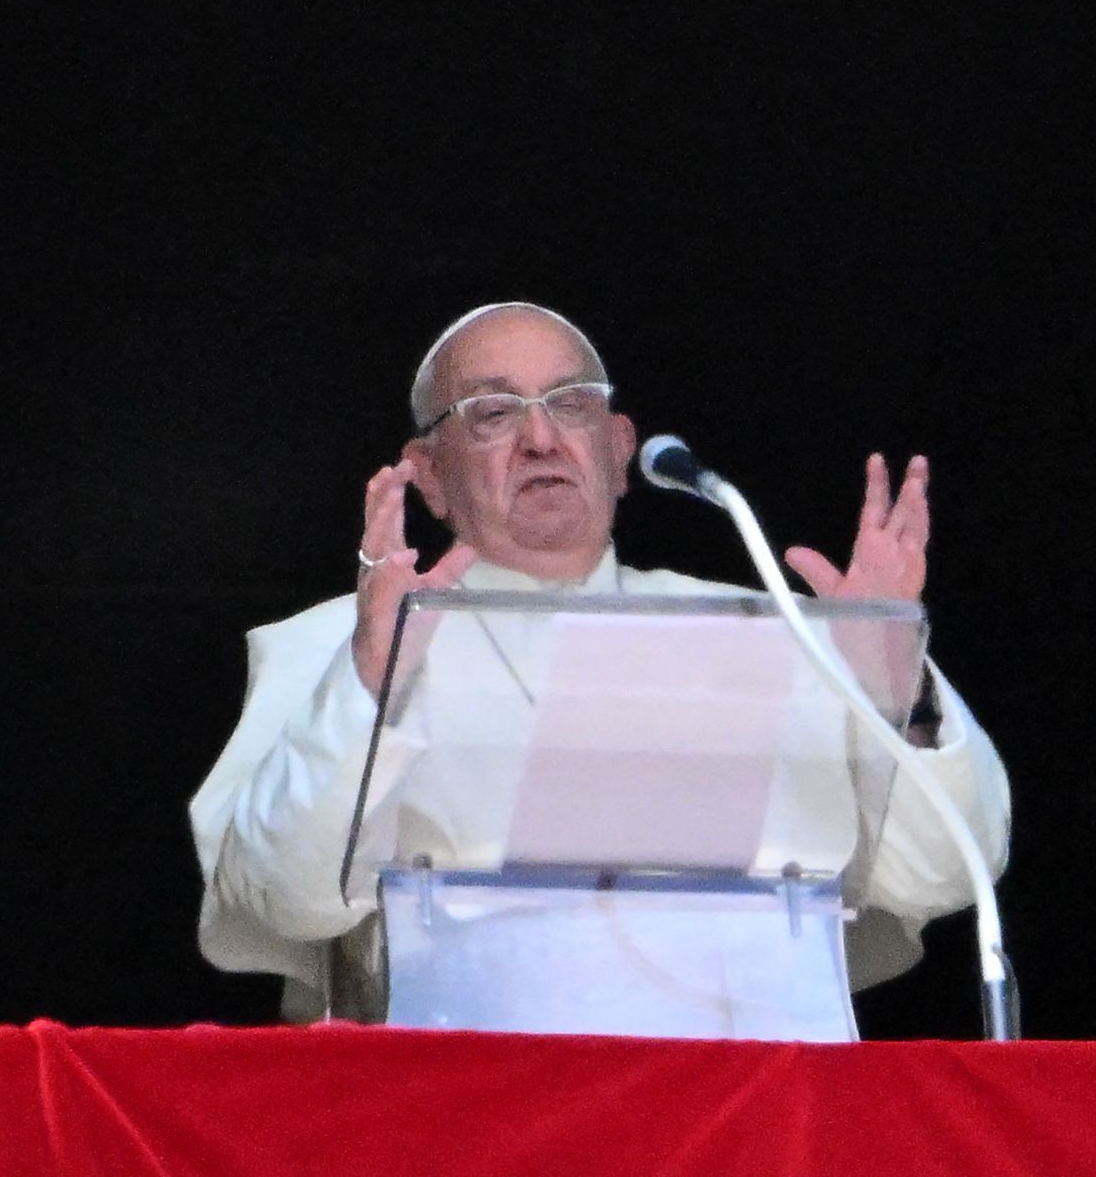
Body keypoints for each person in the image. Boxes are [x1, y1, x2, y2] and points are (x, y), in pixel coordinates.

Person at [190, 302, 1011, 1019]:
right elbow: (286, 899)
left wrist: (893, 689)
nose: (541, 437)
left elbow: (936, 881)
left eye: (571, 405)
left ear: (619, 451)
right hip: (453, 1116)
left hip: (739, 1111)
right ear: (431, 478)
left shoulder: (761, 630)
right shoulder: (336, 644)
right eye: (492, 412)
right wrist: (370, 683)